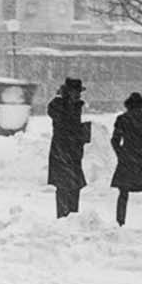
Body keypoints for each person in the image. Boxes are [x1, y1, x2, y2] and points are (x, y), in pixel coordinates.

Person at [109, 92, 142, 230]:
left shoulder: (122, 119)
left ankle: (120, 222)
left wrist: (121, 154)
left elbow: (115, 140)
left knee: (123, 194)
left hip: (127, 159)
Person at [47, 77, 90, 218]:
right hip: (62, 150)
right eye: (76, 92)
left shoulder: (76, 105)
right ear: (68, 92)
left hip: (73, 151)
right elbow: (63, 123)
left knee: (74, 185)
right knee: (63, 185)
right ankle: (62, 215)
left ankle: (73, 215)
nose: (78, 95)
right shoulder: (58, 104)